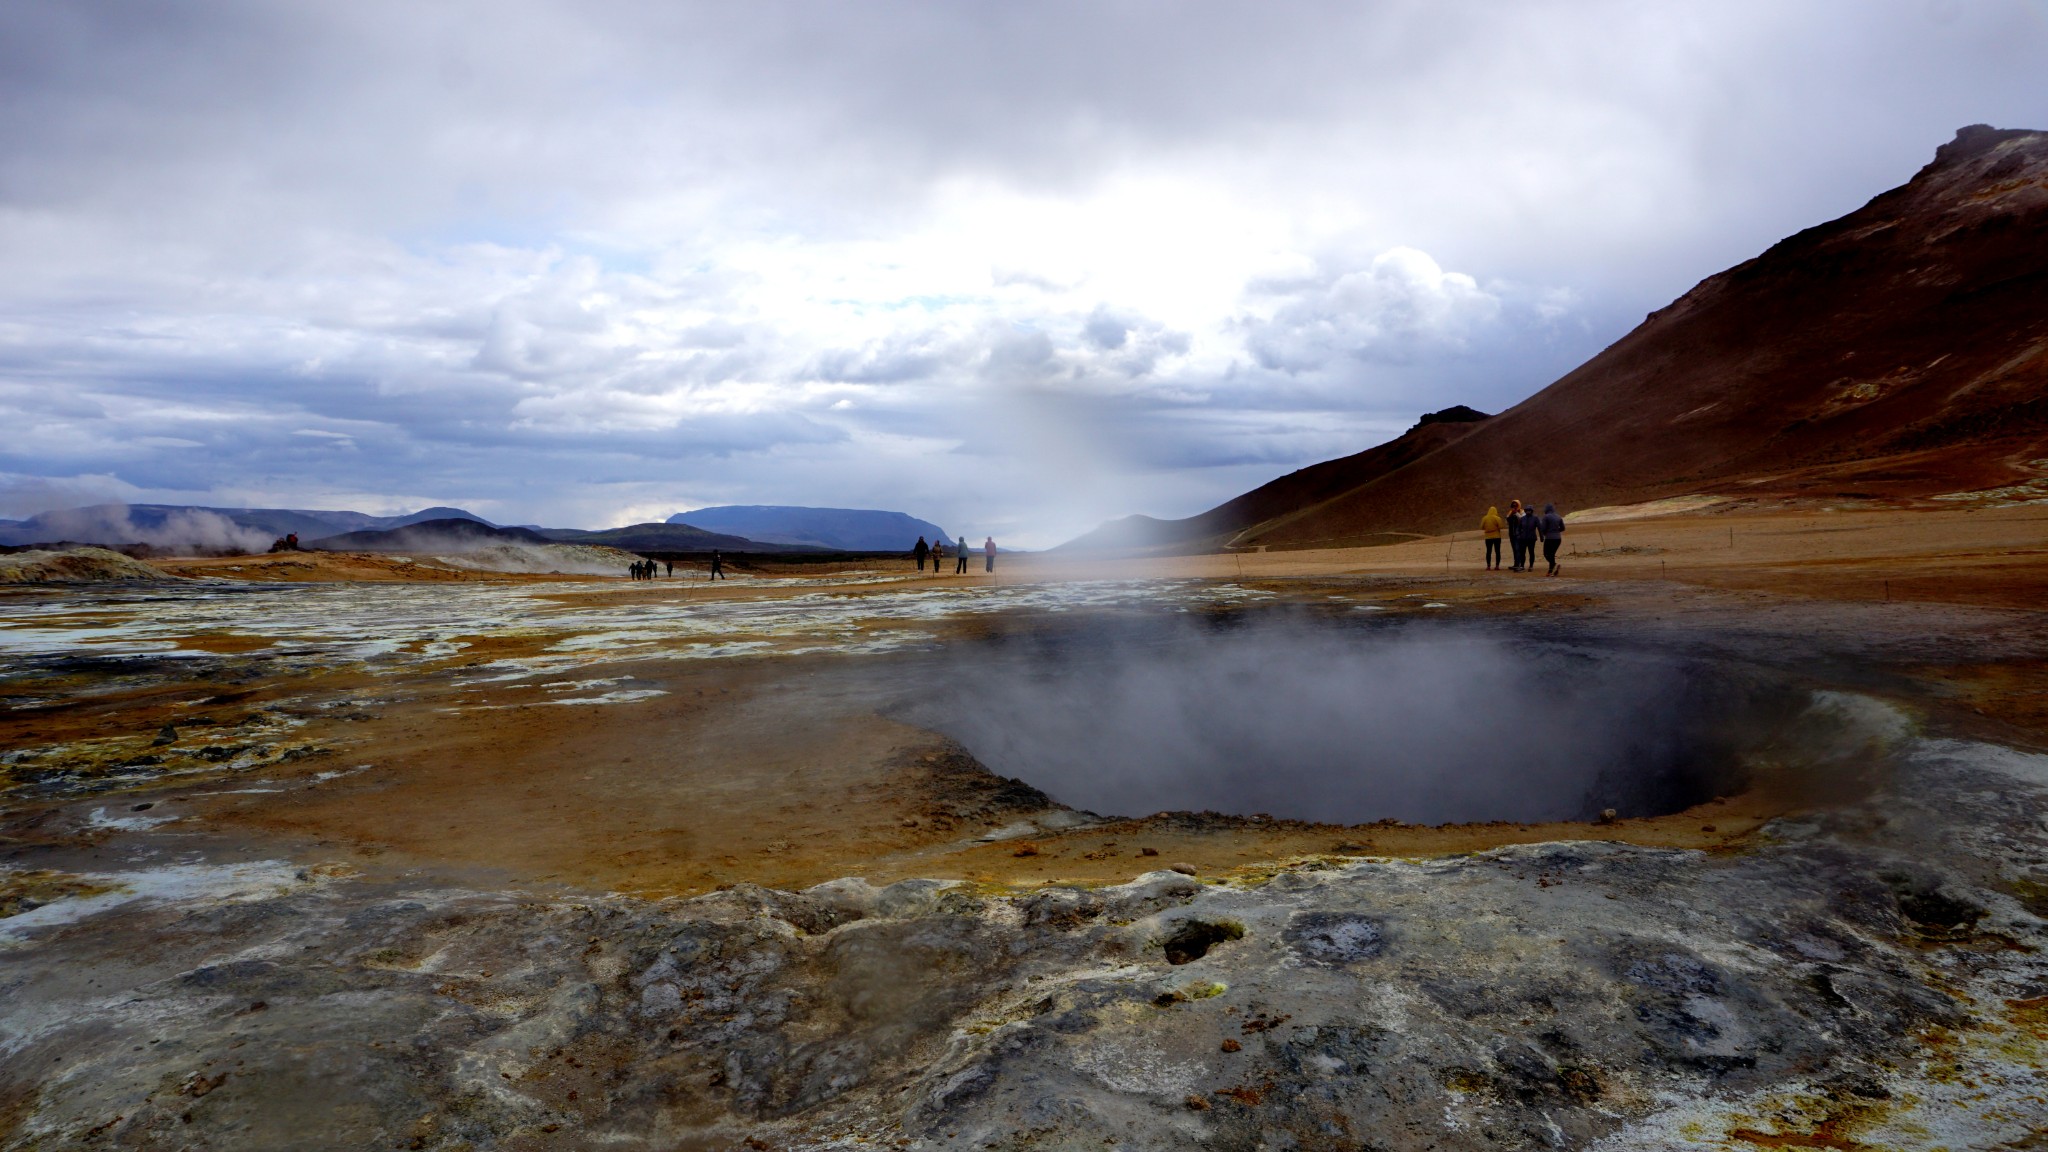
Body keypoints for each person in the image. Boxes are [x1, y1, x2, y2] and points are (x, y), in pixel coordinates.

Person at [1538, 503, 1566, 576]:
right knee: (1552, 554)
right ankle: (1550, 571)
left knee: (1546, 554)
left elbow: (1543, 528)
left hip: (1550, 538)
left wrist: (1545, 533)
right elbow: (1563, 528)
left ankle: (1554, 565)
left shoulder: (1546, 517)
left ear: (1546, 509)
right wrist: (1556, 531)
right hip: (1558, 539)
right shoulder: (1558, 516)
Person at [1505, 500, 1532, 571]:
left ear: (1519, 505)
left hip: (1519, 534)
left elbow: (1522, 520)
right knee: (1514, 549)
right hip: (1512, 533)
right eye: (1513, 505)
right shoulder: (1510, 513)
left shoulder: (1522, 512)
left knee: (1518, 549)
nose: (1514, 507)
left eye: (1515, 505)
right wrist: (1511, 514)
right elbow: (1507, 520)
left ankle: (1520, 564)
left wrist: (1516, 513)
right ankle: (1516, 563)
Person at [1479, 505, 1504, 570]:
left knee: (1488, 551)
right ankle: (1497, 565)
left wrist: (1487, 528)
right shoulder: (1497, 518)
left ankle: (1488, 566)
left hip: (1488, 537)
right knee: (1497, 551)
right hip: (1497, 536)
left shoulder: (1485, 518)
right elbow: (1501, 526)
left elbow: (1481, 527)